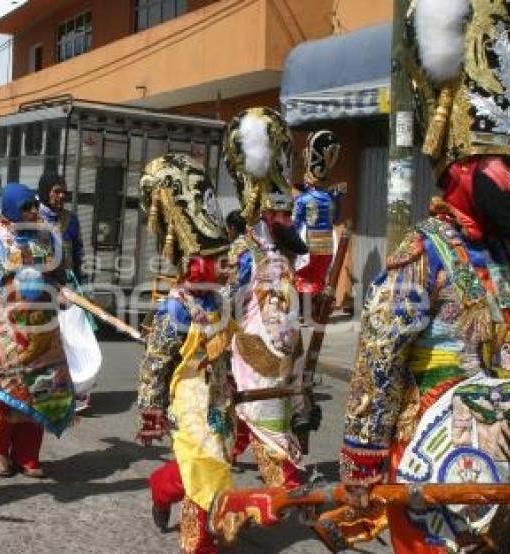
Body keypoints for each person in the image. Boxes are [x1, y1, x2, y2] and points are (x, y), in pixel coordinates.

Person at [338, 3, 510, 552]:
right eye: (509, 165)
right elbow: (379, 361)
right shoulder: (421, 254)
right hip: (435, 471)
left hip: (508, 471)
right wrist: (361, 460)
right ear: (463, 167)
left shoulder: (509, 257)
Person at [136, 153, 233, 554]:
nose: (225, 266)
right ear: (196, 266)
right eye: (217, 261)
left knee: (208, 464)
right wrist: (151, 408)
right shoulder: (176, 307)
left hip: (220, 397)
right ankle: (198, 543)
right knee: (203, 466)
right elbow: (156, 362)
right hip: (188, 396)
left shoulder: (222, 300)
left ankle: (162, 487)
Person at [0, 182, 74, 479]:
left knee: (44, 392)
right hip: (10, 333)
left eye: (34, 206)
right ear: (9, 209)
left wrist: (64, 289)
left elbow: (61, 274)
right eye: (26, 207)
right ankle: (1, 452)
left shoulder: (47, 240)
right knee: (11, 392)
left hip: (45, 333)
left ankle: (28, 456)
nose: (33, 211)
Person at [221, 107, 310, 490]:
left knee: (274, 407)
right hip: (255, 347)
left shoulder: (286, 253)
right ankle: (284, 482)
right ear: (264, 215)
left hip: (285, 349)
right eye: (282, 214)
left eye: (289, 214)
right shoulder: (244, 250)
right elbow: (225, 300)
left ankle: (233, 448)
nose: (289, 221)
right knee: (265, 408)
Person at [36, 172, 97, 412]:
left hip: (69, 287)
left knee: (76, 339)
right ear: (45, 191)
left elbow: (79, 252)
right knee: (49, 339)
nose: (61, 196)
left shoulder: (71, 220)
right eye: (56, 191)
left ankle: (79, 391)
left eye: (63, 192)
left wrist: (83, 284)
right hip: (42, 287)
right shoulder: (34, 216)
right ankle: (46, 390)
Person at [292, 130, 342, 323]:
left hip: (308, 241)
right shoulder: (330, 198)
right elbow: (336, 218)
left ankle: (304, 313)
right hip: (328, 241)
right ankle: (314, 311)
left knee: (303, 275)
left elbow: (296, 223)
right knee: (319, 276)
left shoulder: (303, 199)